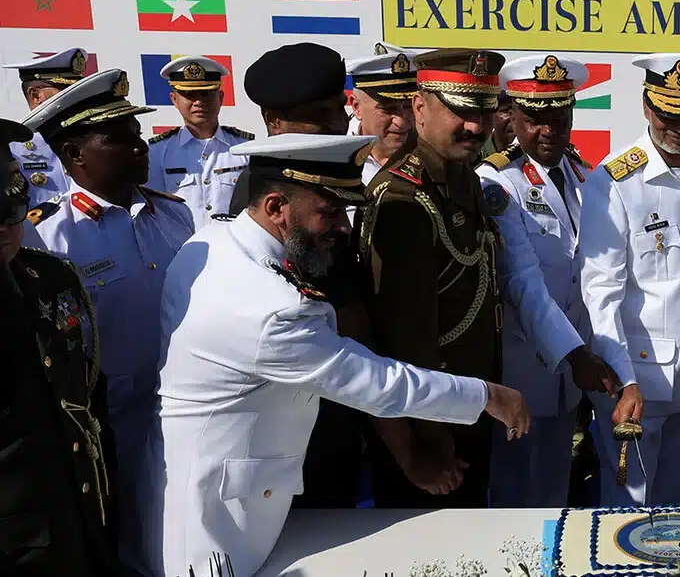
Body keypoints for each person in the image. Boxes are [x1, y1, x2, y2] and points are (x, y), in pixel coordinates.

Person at [137, 133, 531, 577]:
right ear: (275, 208)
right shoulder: (270, 309)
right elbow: (374, 384)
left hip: (215, 495)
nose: (345, 227)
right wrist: (486, 397)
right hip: (215, 534)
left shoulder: (212, 242)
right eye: (328, 213)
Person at [22, 69, 195, 564]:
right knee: (112, 541)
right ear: (75, 155)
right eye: (119, 140)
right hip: (107, 425)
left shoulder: (176, 215)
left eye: (138, 136)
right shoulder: (49, 236)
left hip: (181, 410)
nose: (140, 148)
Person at [577, 52, 680, 506]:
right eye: (669, 114)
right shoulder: (614, 180)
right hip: (637, 381)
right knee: (627, 509)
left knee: (674, 506)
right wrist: (623, 380)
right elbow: (600, 293)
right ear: (647, 106)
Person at [358, 48, 509, 507]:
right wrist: (429, 435)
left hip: (468, 403)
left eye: (483, 110)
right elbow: (402, 337)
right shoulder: (401, 196)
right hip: (428, 421)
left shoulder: (462, 175)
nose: (477, 126)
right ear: (420, 107)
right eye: (461, 110)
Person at [477, 54, 620, 507]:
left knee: (556, 485)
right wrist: (574, 355)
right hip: (526, 364)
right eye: (536, 120)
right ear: (512, 117)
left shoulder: (582, 174)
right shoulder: (497, 182)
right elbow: (521, 281)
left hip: (576, 371)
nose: (549, 132)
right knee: (515, 490)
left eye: (560, 120)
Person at [227, 43, 364, 508]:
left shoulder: (321, 179)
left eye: (338, 114)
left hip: (338, 417)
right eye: (320, 117)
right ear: (275, 123)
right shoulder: (269, 198)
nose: (337, 128)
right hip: (282, 435)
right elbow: (348, 327)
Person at [0, 117, 120, 575]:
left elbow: (88, 399)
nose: (8, 227)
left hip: (73, 516)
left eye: (15, 210)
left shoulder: (49, 278)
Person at [227, 43, 352, 216]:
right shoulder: (260, 186)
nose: (338, 124)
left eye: (341, 108)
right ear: (274, 121)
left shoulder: (342, 169)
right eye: (319, 115)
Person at [146, 56, 254, 229]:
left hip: (234, 250)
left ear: (220, 97)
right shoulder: (156, 152)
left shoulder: (245, 149)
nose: (198, 102)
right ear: (174, 99)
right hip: (179, 251)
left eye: (206, 94)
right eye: (189, 95)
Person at [3, 48, 88, 206]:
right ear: (36, 95)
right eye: (68, 93)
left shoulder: (90, 141)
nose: (79, 100)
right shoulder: (9, 148)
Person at [346, 47, 423, 185]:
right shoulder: (335, 155)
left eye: (408, 106)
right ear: (357, 107)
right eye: (388, 109)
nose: (401, 122)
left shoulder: (433, 152)